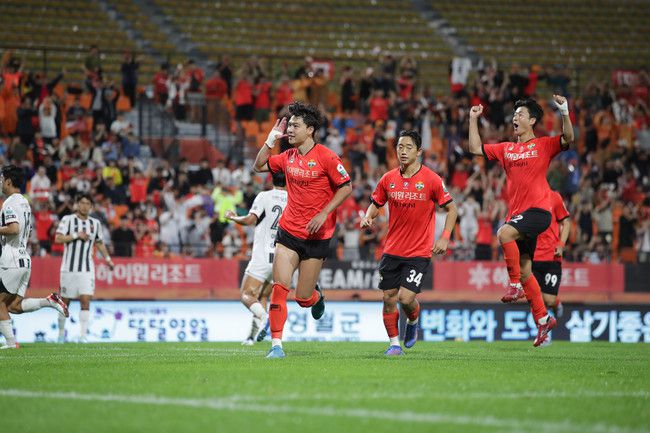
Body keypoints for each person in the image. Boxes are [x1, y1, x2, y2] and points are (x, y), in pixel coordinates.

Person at [467, 96, 574, 347]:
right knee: (526, 271)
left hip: (538, 211)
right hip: (518, 216)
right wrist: (472, 119)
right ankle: (543, 320)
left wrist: (564, 112)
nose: (515, 117)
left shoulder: (544, 145)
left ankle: (513, 284)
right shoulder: (506, 149)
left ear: (533, 120)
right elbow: (475, 148)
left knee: (503, 234)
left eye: (521, 114)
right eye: (514, 114)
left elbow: (568, 138)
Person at [253, 101, 352, 358]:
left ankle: (316, 297)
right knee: (279, 288)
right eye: (289, 126)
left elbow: (346, 187)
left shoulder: (327, 157)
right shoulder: (287, 157)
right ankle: (276, 346)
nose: (290, 130)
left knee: (303, 299)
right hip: (288, 232)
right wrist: (270, 140)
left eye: (295, 126)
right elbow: (259, 166)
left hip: (317, 236)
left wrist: (324, 213)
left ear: (310, 130)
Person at [361, 130, 457, 356]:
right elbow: (376, 203)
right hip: (392, 249)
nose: (403, 151)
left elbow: (452, 209)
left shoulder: (432, 179)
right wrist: (368, 216)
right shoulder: (388, 179)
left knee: (406, 298)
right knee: (388, 298)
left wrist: (444, 237)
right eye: (400, 147)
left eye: (408, 147)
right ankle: (394, 344)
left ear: (419, 151)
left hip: (418, 252)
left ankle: (413, 320)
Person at [0, 165, 68, 349]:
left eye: (1, 179)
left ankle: (11, 343)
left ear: (8, 181)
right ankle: (49, 301)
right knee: (13, 306)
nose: (0, 183)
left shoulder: (9, 203)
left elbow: (14, 228)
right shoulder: (24, 202)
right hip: (24, 258)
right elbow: (25, 230)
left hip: (11, 259)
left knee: (0, 303)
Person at [225, 172, 288, 345]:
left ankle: (265, 318)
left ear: (271, 180)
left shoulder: (264, 196)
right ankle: (251, 337)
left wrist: (232, 217)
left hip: (262, 255)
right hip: (281, 257)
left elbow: (249, 220)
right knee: (262, 297)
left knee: (246, 294)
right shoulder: (293, 200)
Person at [54, 193, 115, 343]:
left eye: (88, 203)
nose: (84, 206)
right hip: (68, 268)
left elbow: (99, 242)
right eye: (82, 203)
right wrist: (76, 235)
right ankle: (61, 335)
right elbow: (58, 238)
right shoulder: (67, 220)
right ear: (76, 204)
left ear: (91, 206)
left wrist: (108, 259)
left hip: (87, 269)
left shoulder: (95, 223)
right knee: (64, 303)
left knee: (85, 300)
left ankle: (83, 336)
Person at [531, 190, 570, 325]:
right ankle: (543, 331)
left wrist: (561, 244)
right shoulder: (524, 199)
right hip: (533, 258)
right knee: (535, 299)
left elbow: (566, 223)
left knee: (549, 300)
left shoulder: (554, 197)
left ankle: (556, 303)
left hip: (552, 257)